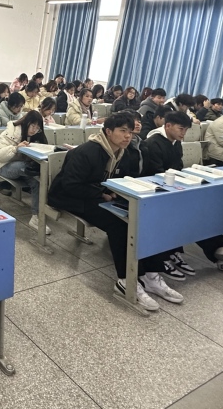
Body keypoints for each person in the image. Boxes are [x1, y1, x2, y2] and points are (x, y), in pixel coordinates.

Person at [48, 113, 182, 311]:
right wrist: (102, 193)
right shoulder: (87, 151)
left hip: (98, 195)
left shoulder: (122, 152)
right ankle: (126, 280)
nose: (128, 136)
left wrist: (114, 192)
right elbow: (70, 185)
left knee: (142, 217)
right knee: (119, 224)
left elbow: (122, 179)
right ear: (108, 131)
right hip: (71, 197)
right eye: (123, 131)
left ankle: (150, 275)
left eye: (130, 132)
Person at [141, 111, 223, 275]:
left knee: (200, 211)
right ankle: (216, 248)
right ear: (168, 126)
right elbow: (155, 173)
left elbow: (178, 167)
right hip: (154, 193)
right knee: (188, 215)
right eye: (181, 129)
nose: (183, 133)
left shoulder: (175, 142)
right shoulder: (153, 143)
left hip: (173, 189)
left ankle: (222, 249)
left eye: (186, 130)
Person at [0, 111, 49, 234]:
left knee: (38, 181)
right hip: (4, 167)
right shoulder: (11, 132)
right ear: (26, 123)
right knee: (27, 168)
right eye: (32, 125)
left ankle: (36, 217)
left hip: (25, 169)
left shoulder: (36, 136)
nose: (34, 130)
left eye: (38, 127)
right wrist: (16, 148)